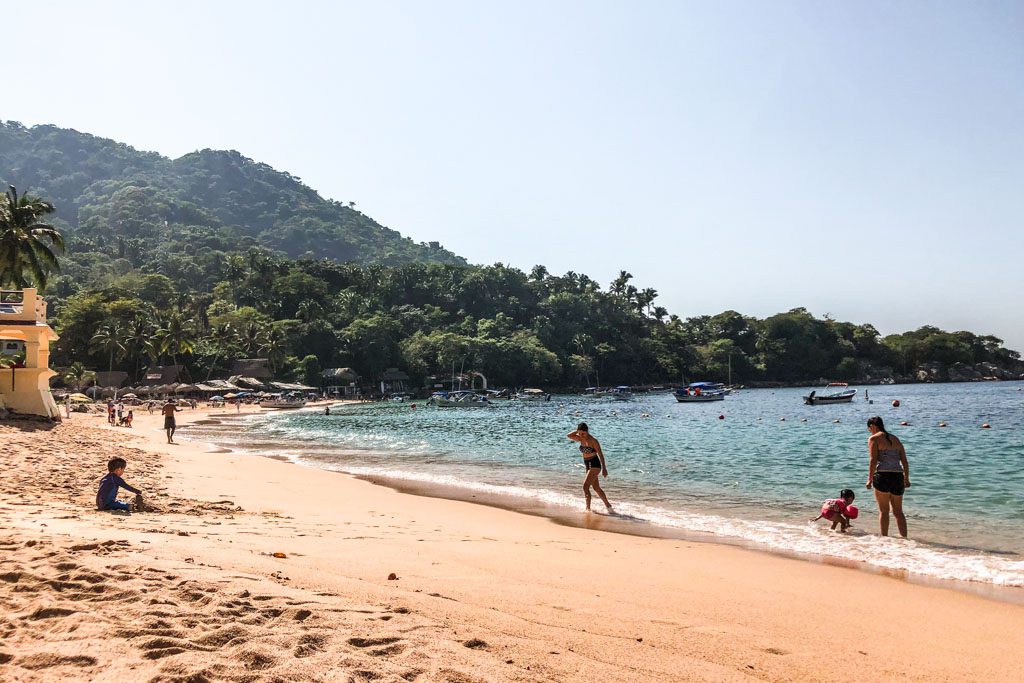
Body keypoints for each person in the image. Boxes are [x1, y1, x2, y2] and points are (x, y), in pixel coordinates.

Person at [866, 416, 910, 537]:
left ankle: (885, 540)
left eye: (869, 429)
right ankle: (905, 539)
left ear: (872, 426)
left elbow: (873, 460)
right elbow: (905, 461)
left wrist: (869, 479)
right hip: (898, 477)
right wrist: (906, 478)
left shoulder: (874, 439)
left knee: (884, 511)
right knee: (898, 512)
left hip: (883, 476)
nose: (870, 431)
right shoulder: (895, 439)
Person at [567, 422, 612, 512]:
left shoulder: (593, 441)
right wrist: (578, 431)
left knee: (585, 486)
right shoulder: (580, 438)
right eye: (579, 433)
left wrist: (604, 468)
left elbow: (600, 454)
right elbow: (569, 435)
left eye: (583, 433)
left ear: (587, 431)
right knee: (596, 488)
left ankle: (588, 509)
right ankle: (609, 507)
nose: (581, 435)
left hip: (595, 464)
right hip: (587, 464)